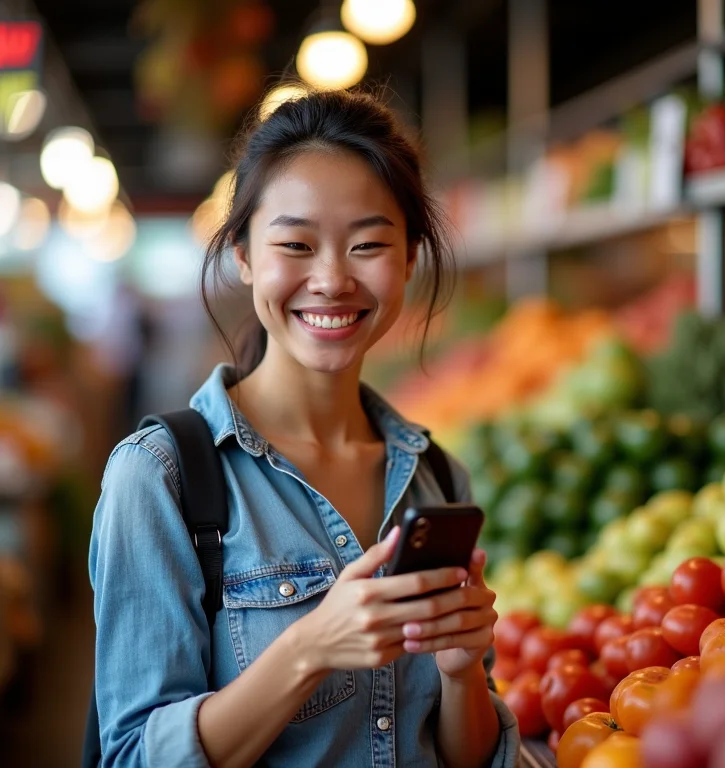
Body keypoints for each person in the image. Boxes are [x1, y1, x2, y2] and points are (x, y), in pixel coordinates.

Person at [88, 87, 520, 768]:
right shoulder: (160, 477)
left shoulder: (435, 475)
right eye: (295, 243)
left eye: (370, 244)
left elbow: (458, 754)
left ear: (409, 259)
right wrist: (311, 647)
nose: (331, 279)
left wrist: (463, 673)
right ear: (243, 256)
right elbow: (134, 757)